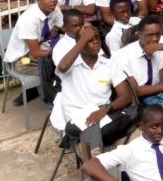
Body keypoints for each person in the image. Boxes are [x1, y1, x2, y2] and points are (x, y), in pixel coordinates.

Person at [52, 22, 137, 160]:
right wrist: (83, 38)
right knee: (95, 152)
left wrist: (105, 109)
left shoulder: (108, 64)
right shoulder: (71, 65)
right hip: (79, 118)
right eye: (89, 40)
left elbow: (126, 97)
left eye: (97, 38)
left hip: (104, 115)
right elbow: (62, 67)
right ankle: (97, 170)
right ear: (80, 43)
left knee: (139, 142)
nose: (95, 42)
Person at [3, 0, 62, 103]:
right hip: (23, 59)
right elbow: (36, 53)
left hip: (40, 48)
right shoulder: (29, 19)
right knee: (58, 70)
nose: (53, 1)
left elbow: (66, 28)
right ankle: (54, 103)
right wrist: (62, 53)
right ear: (38, 0)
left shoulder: (55, 10)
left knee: (65, 62)